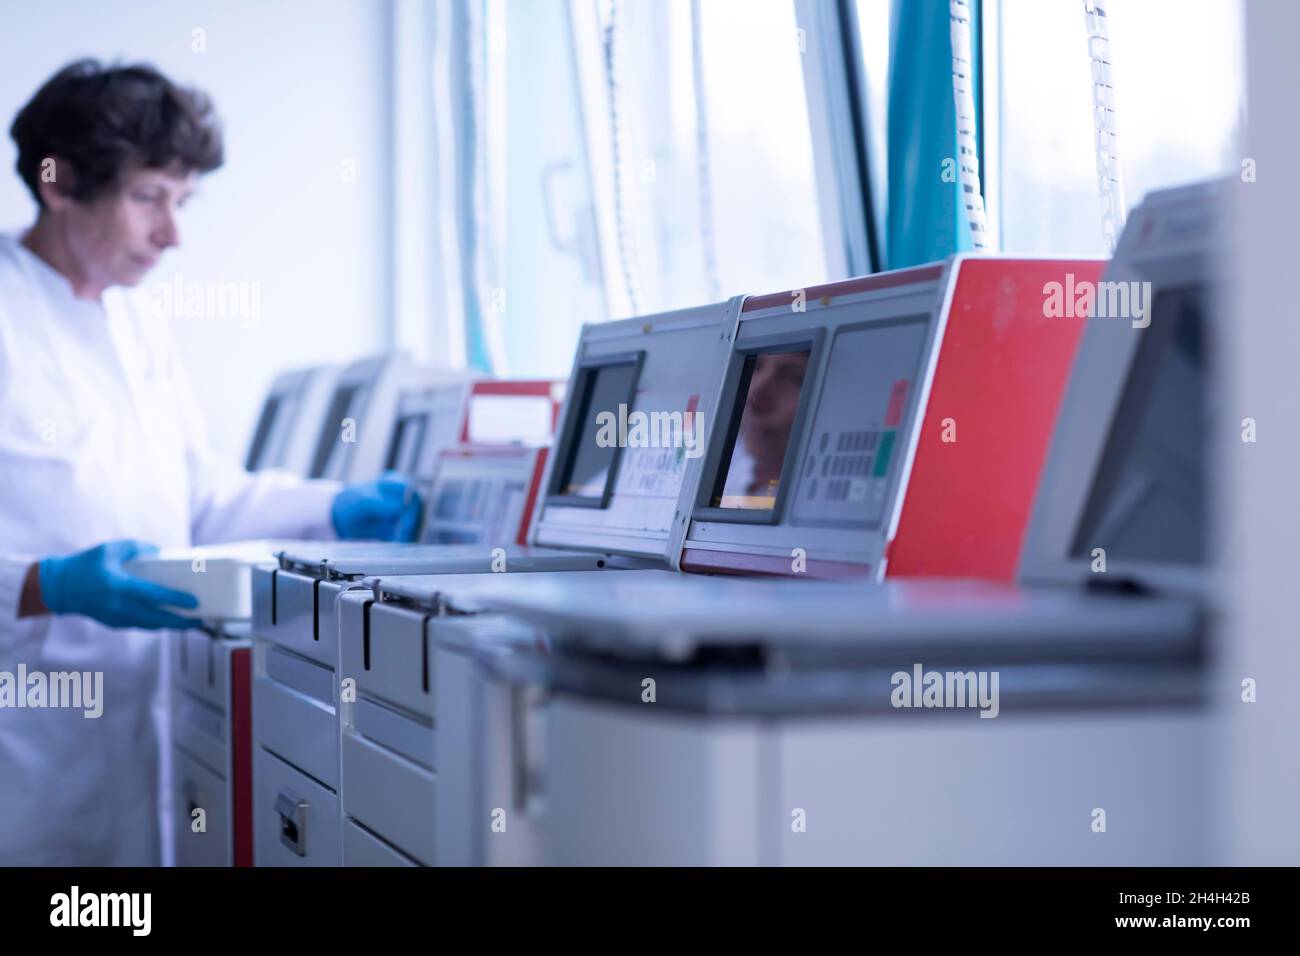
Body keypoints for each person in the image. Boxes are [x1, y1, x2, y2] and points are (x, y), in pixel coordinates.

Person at [0, 60, 420, 865]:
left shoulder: (135, 322)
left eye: (183, 202)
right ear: (60, 186)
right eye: (148, 197)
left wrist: (331, 507)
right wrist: (42, 586)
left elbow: (194, 495)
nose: (173, 234)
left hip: (137, 740)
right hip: (26, 756)